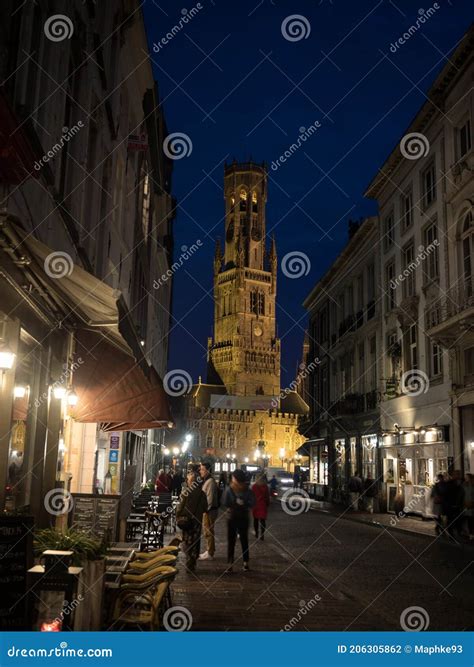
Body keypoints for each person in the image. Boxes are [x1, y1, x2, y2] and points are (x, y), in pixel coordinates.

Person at [175, 466, 207, 572]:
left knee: (187, 541)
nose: (187, 481)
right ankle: (193, 561)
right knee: (195, 541)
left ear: (191, 481)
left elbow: (179, 507)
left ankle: (189, 560)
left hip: (187, 520)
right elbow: (205, 507)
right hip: (197, 521)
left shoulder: (186, 492)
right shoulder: (202, 493)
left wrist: (177, 515)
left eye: (188, 479)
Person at [223, 469, 255, 572]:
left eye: (233, 477)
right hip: (244, 517)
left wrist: (233, 504)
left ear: (235, 478)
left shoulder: (229, 489)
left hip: (232, 517)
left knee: (231, 541)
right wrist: (245, 504)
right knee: (244, 540)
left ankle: (230, 563)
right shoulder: (247, 489)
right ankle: (245, 563)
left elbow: (224, 502)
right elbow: (253, 503)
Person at [198, 462, 219, 561]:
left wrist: (205, 510)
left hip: (209, 511)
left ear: (208, 471)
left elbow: (209, 498)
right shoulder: (207, 481)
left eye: (202, 469)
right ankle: (210, 550)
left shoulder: (210, 482)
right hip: (208, 510)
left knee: (208, 531)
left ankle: (210, 552)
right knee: (208, 531)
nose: (200, 471)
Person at [445, 470, 465, 540]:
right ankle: (451, 534)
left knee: (459, 520)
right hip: (450, 505)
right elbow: (446, 495)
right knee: (451, 520)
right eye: (456, 474)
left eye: (459, 474)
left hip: (459, 505)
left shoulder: (462, 482)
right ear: (453, 475)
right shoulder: (449, 483)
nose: (458, 476)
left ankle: (458, 532)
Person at [252, 474, 270, 540]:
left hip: (256, 505)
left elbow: (252, 496)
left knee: (255, 520)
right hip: (263, 505)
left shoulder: (254, 486)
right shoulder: (265, 486)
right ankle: (262, 535)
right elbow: (267, 497)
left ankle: (256, 533)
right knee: (262, 521)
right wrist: (267, 504)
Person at [462, 473, 474, 539]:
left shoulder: (472, 485)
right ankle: (467, 532)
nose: (466, 478)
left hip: (471, 504)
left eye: (467, 477)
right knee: (466, 519)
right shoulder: (463, 485)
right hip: (465, 504)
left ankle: (471, 533)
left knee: (471, 519)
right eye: (465, 477)